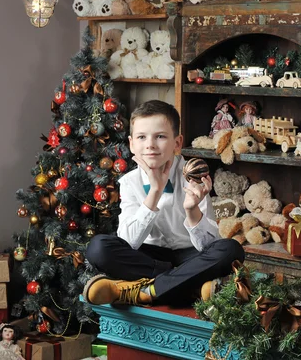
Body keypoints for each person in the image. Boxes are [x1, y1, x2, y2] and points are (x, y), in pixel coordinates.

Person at [84, 100, 245, 306]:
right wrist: (155, 191)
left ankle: (146, 290)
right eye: (142, 137)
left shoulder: (193, 175)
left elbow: (208, 244)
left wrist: (192, 209)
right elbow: (129, 241)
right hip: (148, 259)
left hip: (190, 255)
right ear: (132, 143)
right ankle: (188, 285)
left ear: (177, 143)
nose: (150, 144)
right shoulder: (130, 182)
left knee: (230, 250)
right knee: (98, 248)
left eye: (160, 136)